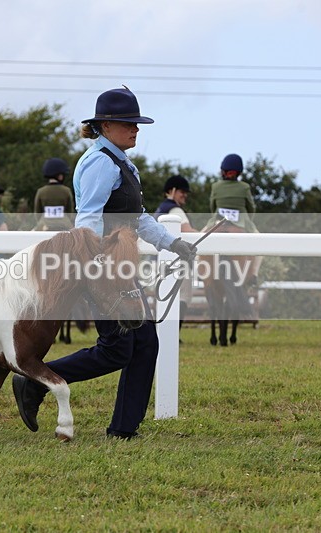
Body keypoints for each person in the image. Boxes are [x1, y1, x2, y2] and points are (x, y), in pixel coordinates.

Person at [12, 86, 197, 440]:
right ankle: (35, 381)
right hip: (104, 270)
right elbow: (88, 219)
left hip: (119, 268)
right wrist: (96, 265)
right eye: (129, 123)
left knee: (145, 342)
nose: (136, 129)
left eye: (137, 124)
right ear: (106, 126)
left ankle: (124, 429)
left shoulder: (122, 163)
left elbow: (138, 219)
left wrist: (173, 243)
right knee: (116, 349)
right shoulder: (100, 163)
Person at [204, 153, 262, 285]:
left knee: (197, 241)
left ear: (223, 171)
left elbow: (212, 207)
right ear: (238, 172)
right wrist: (248, 221)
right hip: (240, 222)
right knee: (260, 242)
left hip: (218, 221)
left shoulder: (216, 186)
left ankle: (198, 271)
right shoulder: (244, 187)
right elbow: (251, 207)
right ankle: (253, 274)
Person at [154, 175, 198, 327]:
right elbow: (188, 231)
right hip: (177, 261)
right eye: (182, 192)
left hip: (158, 260)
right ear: (172, 191)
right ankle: (173, 332)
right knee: (184, 297)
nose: (185, 195)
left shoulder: (161, 209)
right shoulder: (175, 209)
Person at [33, 158, 75, 231]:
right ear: (59, 176)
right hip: (64, 227)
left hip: (44, 227)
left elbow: (37, 214)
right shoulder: (66, 191)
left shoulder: (41, 191)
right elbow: (70, 214)